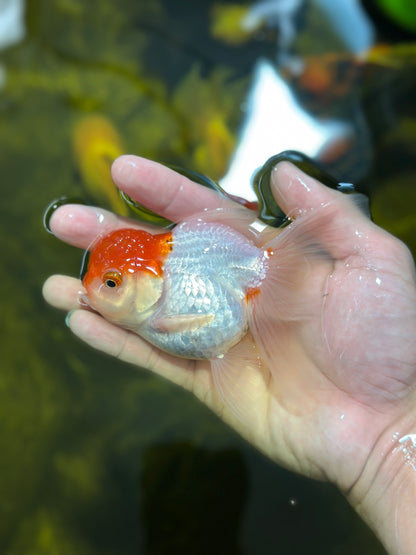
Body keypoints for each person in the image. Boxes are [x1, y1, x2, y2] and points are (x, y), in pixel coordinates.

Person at [43, 155, 416, 554]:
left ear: (147, 280)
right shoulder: (153, 305)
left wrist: (393, 438)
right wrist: (389, 446)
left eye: (113, 283)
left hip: (239, 282)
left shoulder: (183, 279)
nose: (100, 292)